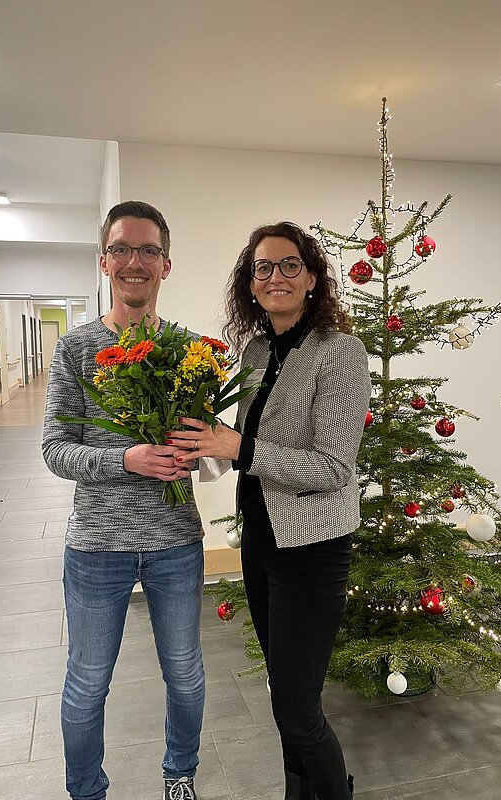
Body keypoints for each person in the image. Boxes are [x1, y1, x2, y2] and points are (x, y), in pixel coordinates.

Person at [168, 221, 371, 800]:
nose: (274, 276)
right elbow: (248, 443)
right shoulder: (257, 349)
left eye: (288, 265)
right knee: (283, 697)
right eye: (262, 267)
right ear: (249, 282)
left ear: (311, 277)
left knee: (297, 707)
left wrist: (238, 448)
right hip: (261, 541)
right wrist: (206, 437)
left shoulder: (340, 351)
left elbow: (333, 467)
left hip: (311, 548)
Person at [42, 201, 205, 800]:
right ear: (105, 262)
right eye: (122, 250)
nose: (135, 262)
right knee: (87, 682)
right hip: (96, 545)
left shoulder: (189, 352)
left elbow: (207, 448)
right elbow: (56, 451)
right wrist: (125, 459)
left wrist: (197, 452)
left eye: (148, 251)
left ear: (166, 265)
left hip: (177, 542)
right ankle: (86, 791)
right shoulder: (76, 350)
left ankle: (179, 775)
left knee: (185, 675)